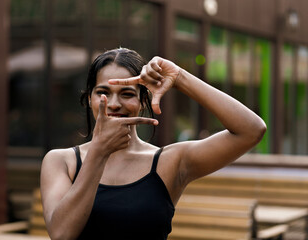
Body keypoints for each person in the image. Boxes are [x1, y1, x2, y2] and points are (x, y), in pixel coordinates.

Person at [40, 48, 266, 240]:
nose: (115, 103)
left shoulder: (169, 162)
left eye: (127, 93)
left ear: (143, 102)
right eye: (103, 92)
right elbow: (61, 234)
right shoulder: (61, 161)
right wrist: (99, 151)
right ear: (89, 99)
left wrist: (179, 77)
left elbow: (252, 130)